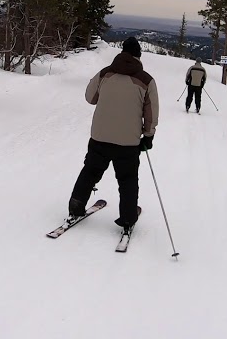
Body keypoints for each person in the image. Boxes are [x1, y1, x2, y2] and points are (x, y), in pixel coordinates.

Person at [66, 36, 160, 229]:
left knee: (90, 171)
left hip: (100, 136)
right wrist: (148, 136)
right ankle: (127, 218)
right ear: (138, 56)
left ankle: (76, 205)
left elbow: (89, 97)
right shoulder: (146, 80)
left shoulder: (105, 73)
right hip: (128, 142)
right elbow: (151, 113)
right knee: (127, 179)